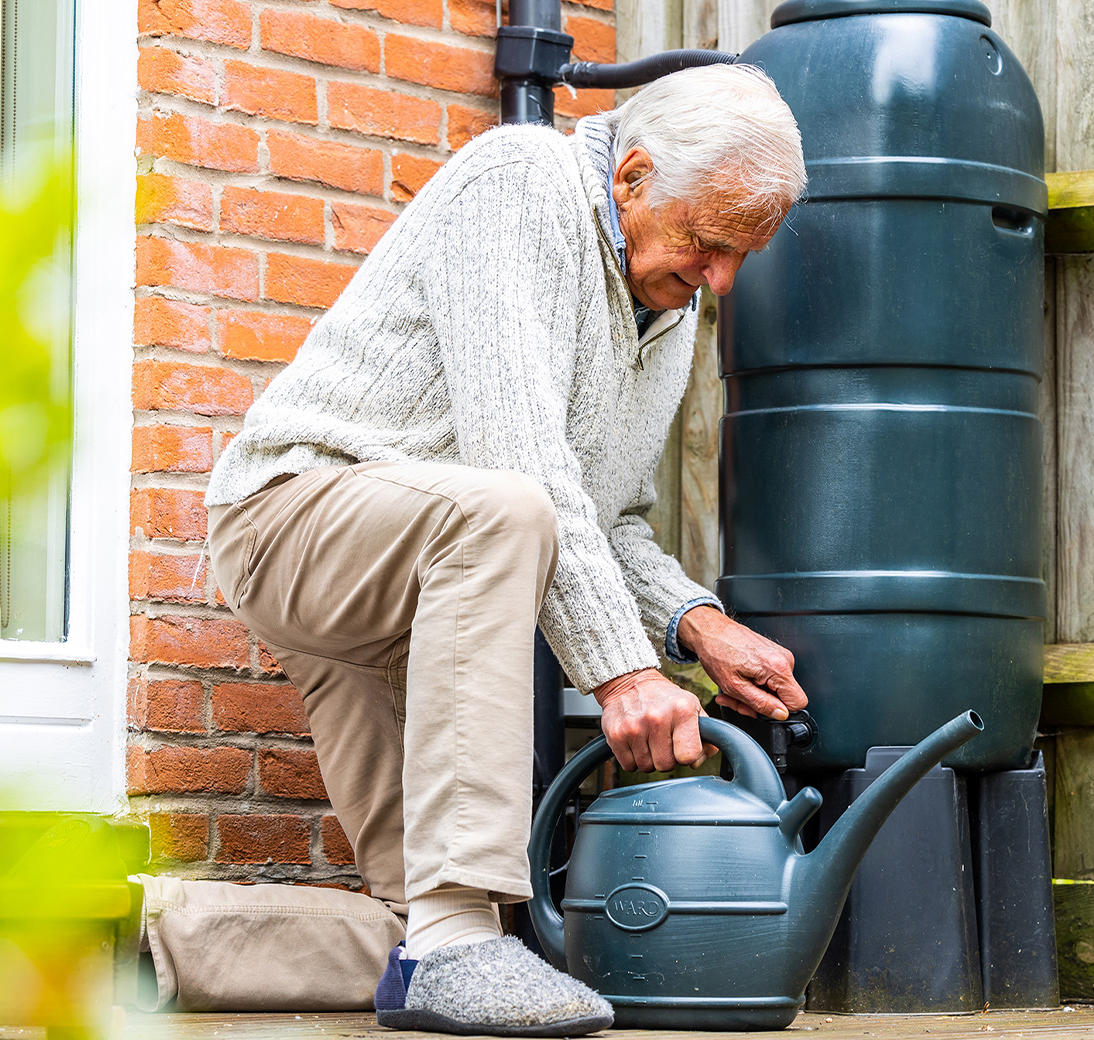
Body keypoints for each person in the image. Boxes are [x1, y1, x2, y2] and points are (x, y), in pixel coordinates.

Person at [133, 63, 810, 1036]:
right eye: (710, 241)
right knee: (507, 511)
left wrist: (693, 623)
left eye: (743, 253)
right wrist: (621, 673)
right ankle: (456, 942)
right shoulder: (521, 182)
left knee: (424, 924)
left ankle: (165, 941)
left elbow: (602, 513)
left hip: (425, 579)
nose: (723, 279)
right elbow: (521, 466)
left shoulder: (670, 307)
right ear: (633, 176)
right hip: (292, 514)